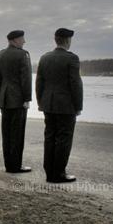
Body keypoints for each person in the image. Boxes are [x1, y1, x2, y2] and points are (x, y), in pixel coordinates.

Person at [36, 28, 83, 183]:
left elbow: (39, 83)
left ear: (56, 40)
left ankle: (49, 172)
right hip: (65, 106)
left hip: (48, 104)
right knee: (64, 138)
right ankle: (59, 174)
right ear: (67, 41)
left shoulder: (44, 58)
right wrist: (78, 106)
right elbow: (75, 84)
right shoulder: (72, 58)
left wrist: (40, 101)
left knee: (50, 137)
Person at [0, 30, 32, 173]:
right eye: (22, 39)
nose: (24, 42)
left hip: (4, 98)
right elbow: (26, 79)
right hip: (17, 99)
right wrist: (27, 98)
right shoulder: (22, 55)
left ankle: (9, 165)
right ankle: (15, 166)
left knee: (7, 134)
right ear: (15, 40)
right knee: (17, 134)